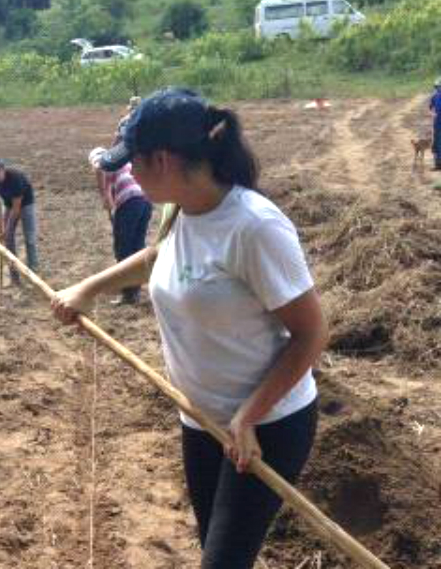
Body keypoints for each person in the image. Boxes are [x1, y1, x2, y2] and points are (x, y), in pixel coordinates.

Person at [53, 87, 328, 568]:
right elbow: (159, 258)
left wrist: (247, 416)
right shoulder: (180, 210)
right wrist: (87, 289)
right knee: (218, 552)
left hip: (266, 424)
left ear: (162, 160)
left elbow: (311, 334)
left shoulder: (254, 228)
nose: (127, 174)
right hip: (201, 420)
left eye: (131, 163)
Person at [89, 146, 152, 305]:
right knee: (137, 246)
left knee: (123, 249)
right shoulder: (121, 163)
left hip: (130, 202)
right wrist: (110, 202)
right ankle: (134, 290)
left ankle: (128, 294)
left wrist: (104, 195)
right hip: (145, 201)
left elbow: (98, 168)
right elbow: (112, 192)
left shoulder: (104, 161)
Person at [0, 158, 38, 285]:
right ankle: (14, 276)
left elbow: (16, 208)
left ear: (3, 169)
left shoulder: (15, 178)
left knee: (29, 237)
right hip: (8, 203)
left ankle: (33, 270)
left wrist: (7, 229)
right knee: (8, 239)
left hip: (25, 203)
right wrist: (1, 228)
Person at [429, 77, 441, 171]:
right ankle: (438, 164)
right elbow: (431, 109)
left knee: (437, 143)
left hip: (437, 123)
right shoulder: (435, 96)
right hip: (437, 123)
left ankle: (438, 164)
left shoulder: (435, 96)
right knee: (437, 143)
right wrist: (434, 114)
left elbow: (431, 109)